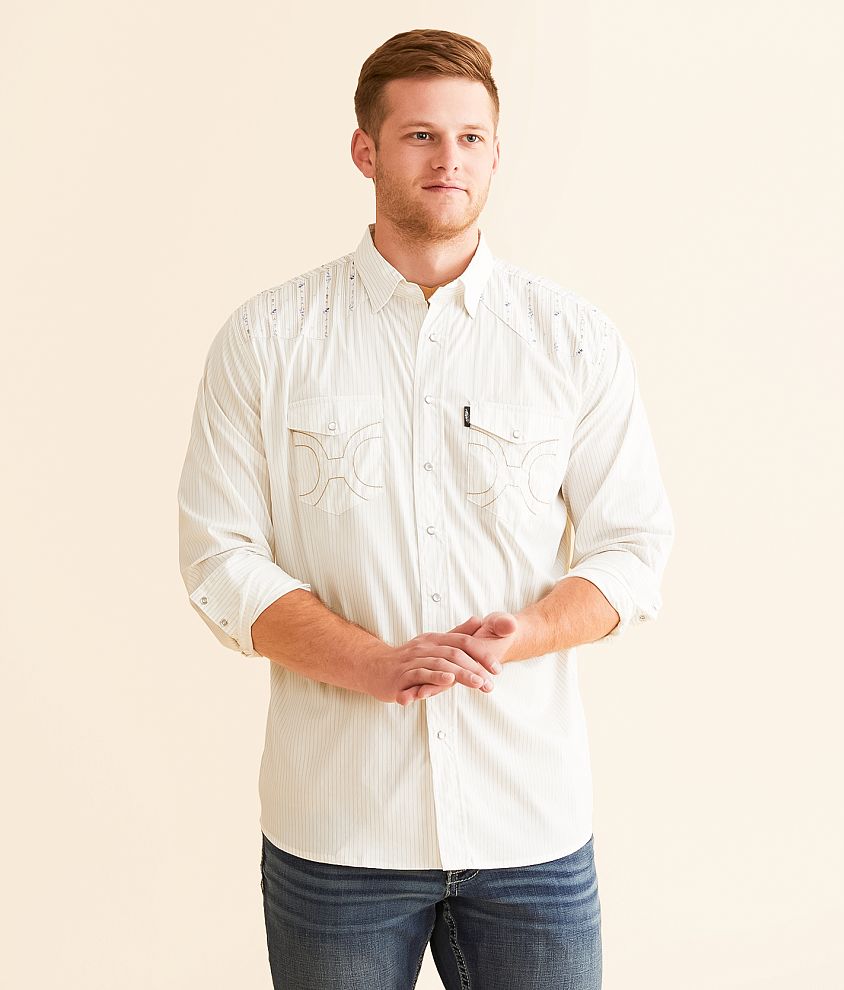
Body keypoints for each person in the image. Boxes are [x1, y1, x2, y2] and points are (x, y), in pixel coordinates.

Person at [177, 27, 674, 990]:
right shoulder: (268, 338)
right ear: (365, 150)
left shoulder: (572, 340)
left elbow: (633, 549)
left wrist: (524, 634)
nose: (449, 159)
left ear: (495, 152)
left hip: (530, 826)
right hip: (339, 831)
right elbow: (217, 556)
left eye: (470, 138)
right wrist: (369, 662)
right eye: (419, 135)